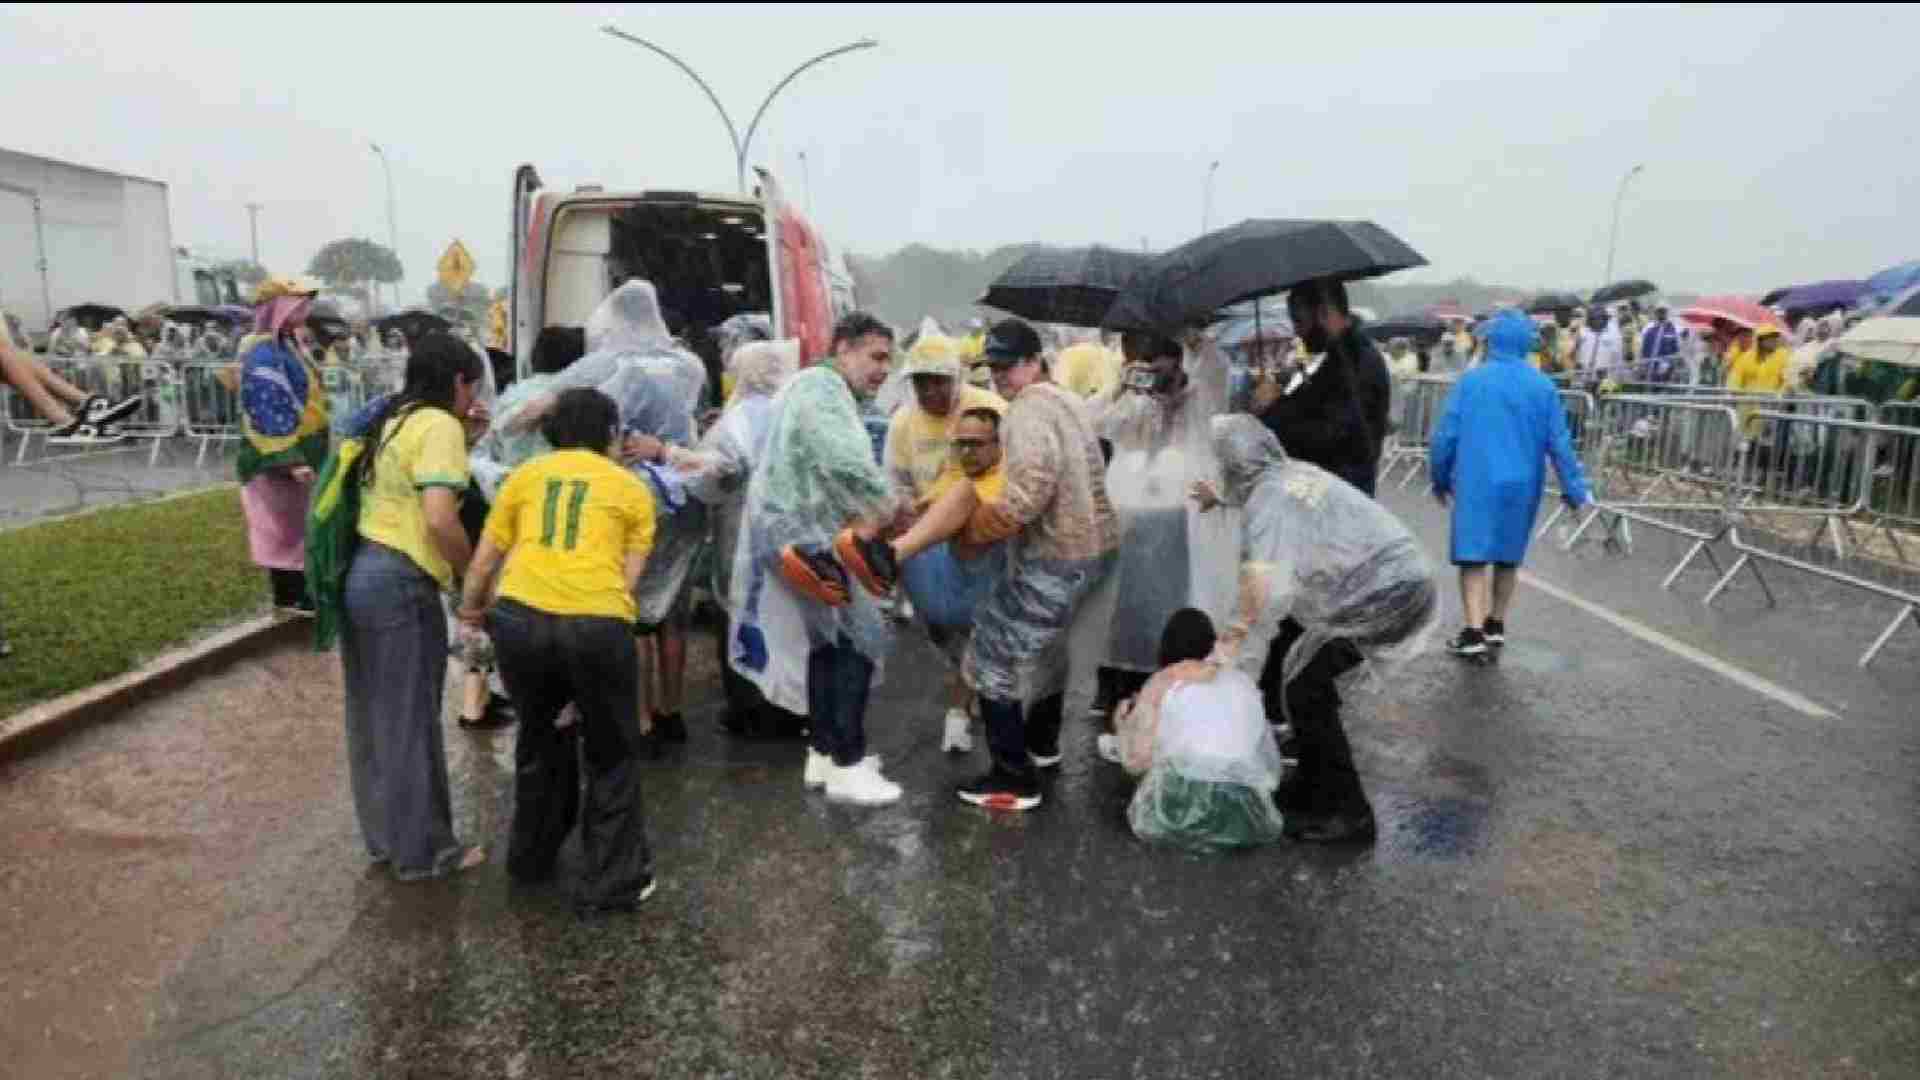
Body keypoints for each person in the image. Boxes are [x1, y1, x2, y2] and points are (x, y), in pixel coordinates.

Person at [846, 317, 1118, 811]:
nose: (999, 377)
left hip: (1061, 555)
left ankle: (1013, 778)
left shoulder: (1027, 410)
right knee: (1048, 651)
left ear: (1035, 361)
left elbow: (1026, 496)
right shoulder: (1066, 400)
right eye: (993, 368)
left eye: (1008, 366)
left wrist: (969, 533)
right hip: (1092, 550)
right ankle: (1040, 746)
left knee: (990, 654)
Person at [458, 387, 660, 913]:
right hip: (596, 624)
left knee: (540, 738)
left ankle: (531, 858)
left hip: (520, 621)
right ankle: (612, 883)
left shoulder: (523, 478)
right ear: (609, 433)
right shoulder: (631, 490)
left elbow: (484, 561)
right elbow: (627, 580)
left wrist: (471, 610)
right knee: (611, 754)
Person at [1193, 416, 1439, 844]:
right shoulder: (1287, 474)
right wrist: (1224, 499)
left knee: (1306, 684)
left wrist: (1229, 649)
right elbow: (1272, 504)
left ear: (1234, 463)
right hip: (1398, 583)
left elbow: (1260, 593)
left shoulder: (1269, 502)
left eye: (1221, 462)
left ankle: (1349, 812)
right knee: (1296, 668)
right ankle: (1313, 784)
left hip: (1389, 595)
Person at [737, 312, 906, 805]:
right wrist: (892, 506)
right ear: (844, 348)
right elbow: (845, 460)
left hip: (792, 531)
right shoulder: (823, 389)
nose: (883, 370)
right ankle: (848, 764)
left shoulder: (807, 385)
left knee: (827, 642)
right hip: (808, 535)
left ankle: (825, 753)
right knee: (861, 637)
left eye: (889, 361)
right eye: (876, 357)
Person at [339, 331, 488, 881]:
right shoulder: (439, 425)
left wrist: (467, 440)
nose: (474, 399)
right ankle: (425, 853)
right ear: (458, 381)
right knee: (410, 722)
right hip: (403, 582)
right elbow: (440, 519)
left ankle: (388, 840)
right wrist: (470, 578)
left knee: (376, 718)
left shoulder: (394, 418)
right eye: (472, 387)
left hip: (365, 575)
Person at [1084, 328, 1239, 722]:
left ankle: (1173, 687)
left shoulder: (1200, 401)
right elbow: (1093, 422)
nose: (1159, 378)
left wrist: (1193, 338)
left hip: (1180, 525)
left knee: (1174, 607)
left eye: (1166, 368)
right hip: (1132, 521)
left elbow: (1216, 370)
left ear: (1181, 364)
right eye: (1150, 367)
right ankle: (1116, 688)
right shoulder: (1137, 402)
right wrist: (1122, 388)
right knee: (1124, 606)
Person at [1428, 311, 1593, 660]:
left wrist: (1440, 476)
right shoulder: (1543, 386)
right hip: (1523, 482)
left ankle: (1472, 631)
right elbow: (1560, 443)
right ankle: (1496, 623)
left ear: (1492, 341)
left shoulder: (1472, 382)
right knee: (1508, 556)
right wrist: (1574, 488)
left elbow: (1446, 435)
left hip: (1477, 479)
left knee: (1473, 556)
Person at [879, 330, 1007, 748]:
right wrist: (903, 505)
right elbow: (895, 479)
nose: (930, 391)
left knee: (979, 624)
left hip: (979, 538)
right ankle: (968, 685)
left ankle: (963, 709)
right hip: (925, 540)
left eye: (938, 380)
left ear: (956, 378)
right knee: (938, 626)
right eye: (921, 382)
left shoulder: (988, 410)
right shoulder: (903, 422)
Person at [674, 339, 802, 738]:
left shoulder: (734, 422)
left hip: (740, 536)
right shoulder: (795, 414)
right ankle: (792, 707)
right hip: (792, 536)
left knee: (739, 613)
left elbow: (706, 480)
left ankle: (748, 709)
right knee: (788, 618)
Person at [1103, 608, 1287, 853]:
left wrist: (1124, 725)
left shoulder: (1163, 682)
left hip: (1175, 815)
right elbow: (1269, 762)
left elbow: (1137, 761)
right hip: (1246, 818)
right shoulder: (1241, 681)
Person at [236, 278, 331, 614]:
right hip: (278, 454)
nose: (305, 309)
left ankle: (301, 591)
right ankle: (290, 595)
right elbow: (267, 407)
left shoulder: (288, 345)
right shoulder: (265, 353)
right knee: (281, 528)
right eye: (298, 303)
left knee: (297, 524)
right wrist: (290, 460)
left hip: (303, 448)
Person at [1251, 279, 1391, 497]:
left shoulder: (1356, 362)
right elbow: (1306, 405)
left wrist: (1270, 410)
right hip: (1327, 492)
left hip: (1340, 497)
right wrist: (1274, 403)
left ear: (1324, 312)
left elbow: (1327, 436)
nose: (1297, 332)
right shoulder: (1339, 357)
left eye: (1299, 321)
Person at [0, 309, 142, 444]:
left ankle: (82, 406)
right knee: (7, 354)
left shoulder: (81, 332)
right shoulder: (58, 333)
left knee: (14, 355)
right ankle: (70, 416)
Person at [1573, 306, 1624, 388]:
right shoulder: (1583, 332)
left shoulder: (1614, 335)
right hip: (1585, 380)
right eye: (1592, 318)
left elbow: (1618, 359)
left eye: (1598, 318)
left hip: (1606, 381)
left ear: (1604, 319)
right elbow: (1577, 355)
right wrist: (1578, 371)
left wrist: (1613, 380)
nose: (1594, 321)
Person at [1639, 306, 1684, 383]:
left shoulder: (1674, 329)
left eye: (1663, 312)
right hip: (1650, 367)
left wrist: (1674, 367)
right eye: (1659, 312)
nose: (1661, 314)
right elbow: (1643, 349)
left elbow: (1677, 350)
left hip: (1667, 369)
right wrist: (1642, 366)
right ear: (1656, 313)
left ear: (1667, 313)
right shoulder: (1648, 329)